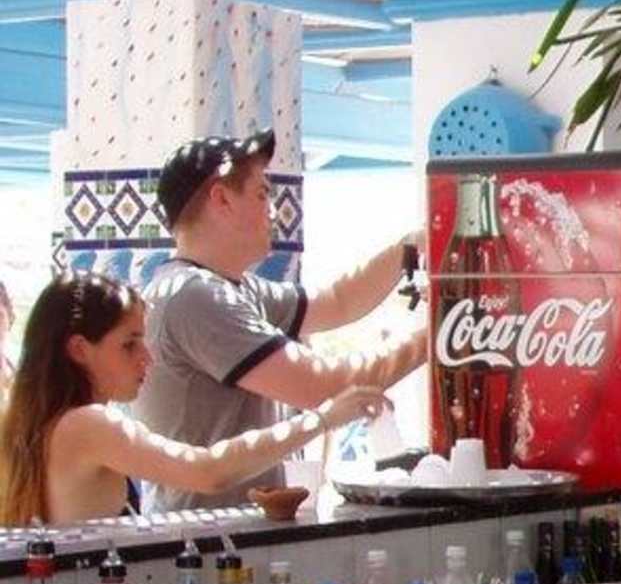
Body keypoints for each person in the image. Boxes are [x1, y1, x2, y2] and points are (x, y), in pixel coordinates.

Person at [134, 130, 425, 513]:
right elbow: (325, 387)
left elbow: (338, 302)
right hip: (205, 533)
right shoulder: (195, 297)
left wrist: (411, 247)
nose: (273, 211)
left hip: (231, 527)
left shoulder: (232, 287)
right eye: (262, 194)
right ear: (221, 198)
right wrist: (442, 332)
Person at [0, 272, 385, 526]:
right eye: (129, 344)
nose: (147, 357)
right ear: (80, 349)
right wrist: (321, 419)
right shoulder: (90, 424)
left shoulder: (24, 424)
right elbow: (207, 471)